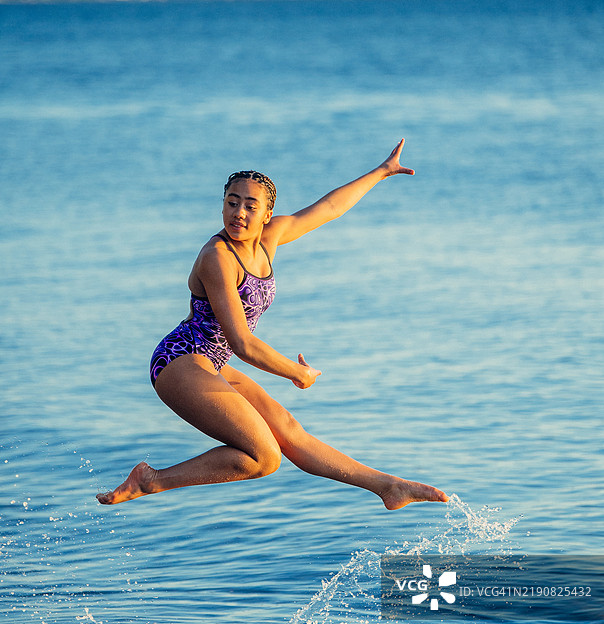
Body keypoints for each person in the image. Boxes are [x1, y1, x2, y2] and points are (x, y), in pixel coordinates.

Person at [97, 139, 448, 510]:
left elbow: (329, 208)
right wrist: (296, 373)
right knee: (264, 457)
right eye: (232, 202)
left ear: (267, 214)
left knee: (289, 432)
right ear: (222, 205)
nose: (239, 213)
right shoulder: (218, 258)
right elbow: (243, 342)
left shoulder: (269, 239)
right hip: (179, 361)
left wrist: (381, 172)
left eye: (251, 206)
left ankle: (388, 487)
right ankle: (150, 481)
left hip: (211, 362)